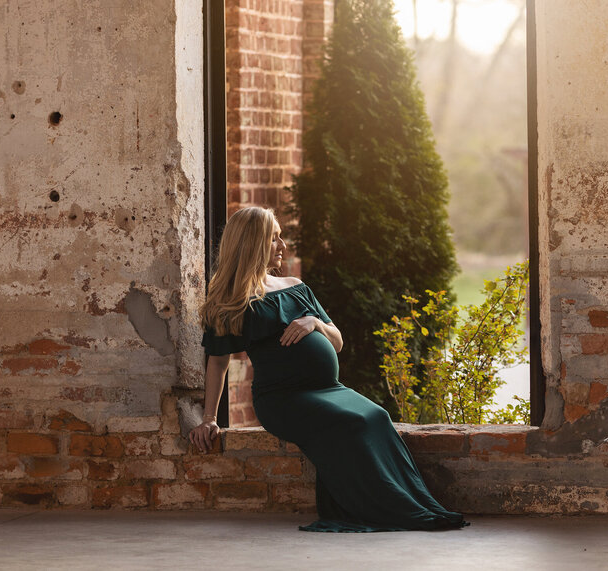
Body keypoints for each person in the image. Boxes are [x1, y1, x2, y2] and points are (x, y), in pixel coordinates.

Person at [188, 206, 468, 532]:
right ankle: (387, 509)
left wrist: (315, 323)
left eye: (280, 237)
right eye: (274, 238)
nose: (282, 246)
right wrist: (208, 418)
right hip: (283, 398)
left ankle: (414, 504)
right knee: (351, 422)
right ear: (253, 243)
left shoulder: (297, 287)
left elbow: (338, 342)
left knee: (376, 415)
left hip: (330, 390)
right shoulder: (234, 301)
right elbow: (218, 362)